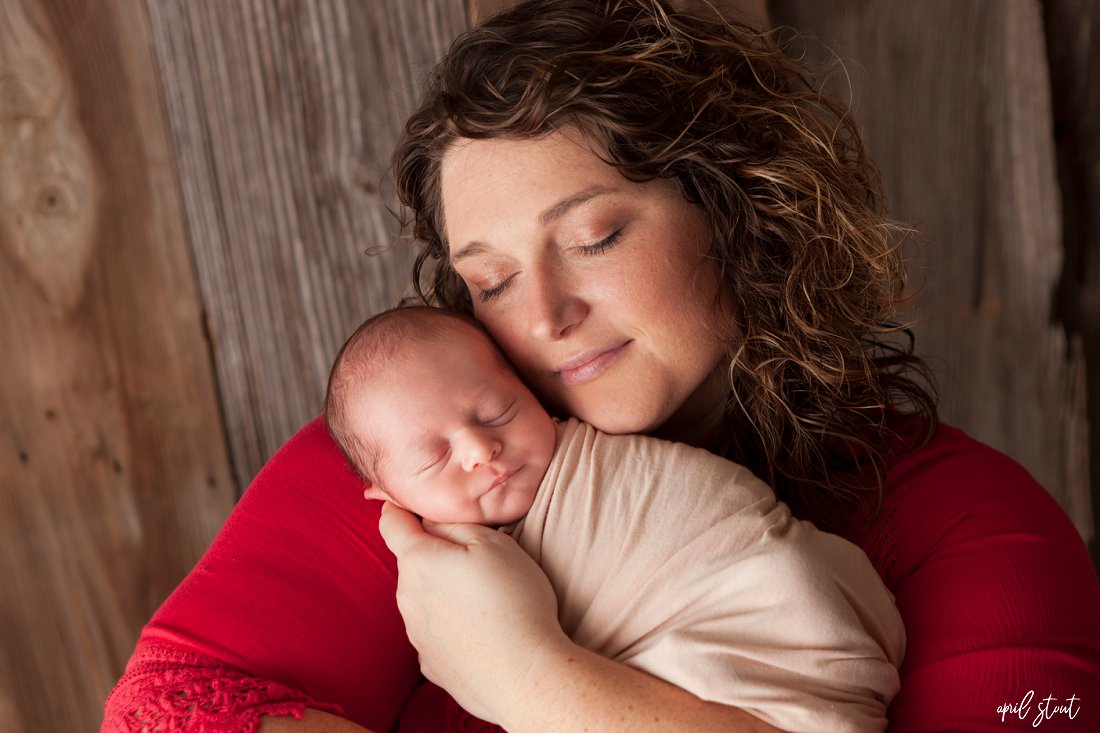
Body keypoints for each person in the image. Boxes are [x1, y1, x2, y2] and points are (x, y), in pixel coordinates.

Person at [102, 1, 1100, 732]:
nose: (543, 314)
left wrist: (531, 677)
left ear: (738, 208)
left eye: (591, 238)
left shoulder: (973, 526)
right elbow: (165, 712)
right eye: (489, 279)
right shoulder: (425, 460)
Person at [324, 304, 905, 733]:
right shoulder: (441, 547)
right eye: (434, 457)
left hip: (770, 612)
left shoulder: (601, 464)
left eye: (499, 411)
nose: (481, 450)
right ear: (384, 493)